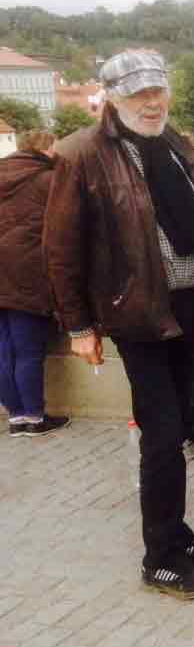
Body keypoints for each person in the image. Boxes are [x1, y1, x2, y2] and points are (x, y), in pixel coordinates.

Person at [44, 49, 194, 599]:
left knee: (180, 426)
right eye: (138, 95)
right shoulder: (82, 155)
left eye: (158, 92)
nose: (152, 104)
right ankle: (161, 559)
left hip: (183, 308)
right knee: (163, 433)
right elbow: (60, 249)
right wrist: (79, 327)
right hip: (138, 314)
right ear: (111, 98)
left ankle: (178, 534)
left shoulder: (171, 145)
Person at [0, 129, 70, 437]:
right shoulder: (48, 180)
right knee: (28, 350)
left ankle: (15, 417)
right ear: (45, 149)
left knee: (2, 351)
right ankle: (34, 417)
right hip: (26, 276)